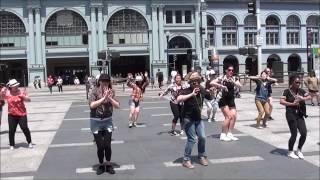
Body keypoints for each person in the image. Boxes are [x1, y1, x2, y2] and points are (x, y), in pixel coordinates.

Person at [177, 72, 213, 169]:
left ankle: (201, 156)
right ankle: (186, 159)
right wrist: (191, 94)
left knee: (202, 137)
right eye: (194, 82)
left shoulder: (201, 89)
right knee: (192, 139)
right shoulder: (186, 90)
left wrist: (212, 91)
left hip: (198, 119)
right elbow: (179, 99)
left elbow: (210, 97)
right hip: (188, 119)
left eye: (197, 82)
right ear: (190, 83)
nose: (196, 84)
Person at [88, 74, 120, 175]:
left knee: (107, 145)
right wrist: (103, 98)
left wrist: (109, 98)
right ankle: (101, 165)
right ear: (99, 81)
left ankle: (109, 164)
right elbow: (92, 105)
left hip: (107, 121)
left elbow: (118, 105)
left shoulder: (112, 91)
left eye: (107, 81)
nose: (105, 83)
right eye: (103, 81)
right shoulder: (94, 91)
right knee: (100, 146)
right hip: (96, 121)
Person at [280, 74, 311, 159]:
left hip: (300, 114)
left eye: (299, 82)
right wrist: (291, 104)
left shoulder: (301, 91)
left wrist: (302, 98)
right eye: (296, 82)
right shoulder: (286, 91)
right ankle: (290, 151)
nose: (298, 84)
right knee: (294, 134)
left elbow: (309, 96)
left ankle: (299, 150)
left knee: (304, 133)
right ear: (292, 82)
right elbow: (281, 101)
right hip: (290, 114)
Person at [210, 65, 242, 141]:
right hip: (222, 99)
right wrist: (221, 86)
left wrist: (233, 82)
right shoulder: (221, 78)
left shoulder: (234, 78)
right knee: (228, 117)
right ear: (226, 71)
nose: (231, 71)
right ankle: (223, 134)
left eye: (232, 70)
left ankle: (229, 133)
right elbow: (212, 82)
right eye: (229, 70)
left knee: (234, 116)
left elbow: (240, 86)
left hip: (231, 99)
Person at [0, 79, 32, 150]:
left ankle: (29, 142)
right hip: (11, 115)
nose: (16, 86)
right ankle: (12, 144)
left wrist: (23, 96)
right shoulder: (7, 93)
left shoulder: (21, 92)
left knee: (24, 128)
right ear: (11, 87)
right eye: (14, 86)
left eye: (17, 85)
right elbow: (1, 98)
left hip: (22, 114)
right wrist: (2, 92)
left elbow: (29, 100)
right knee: (11, 130)